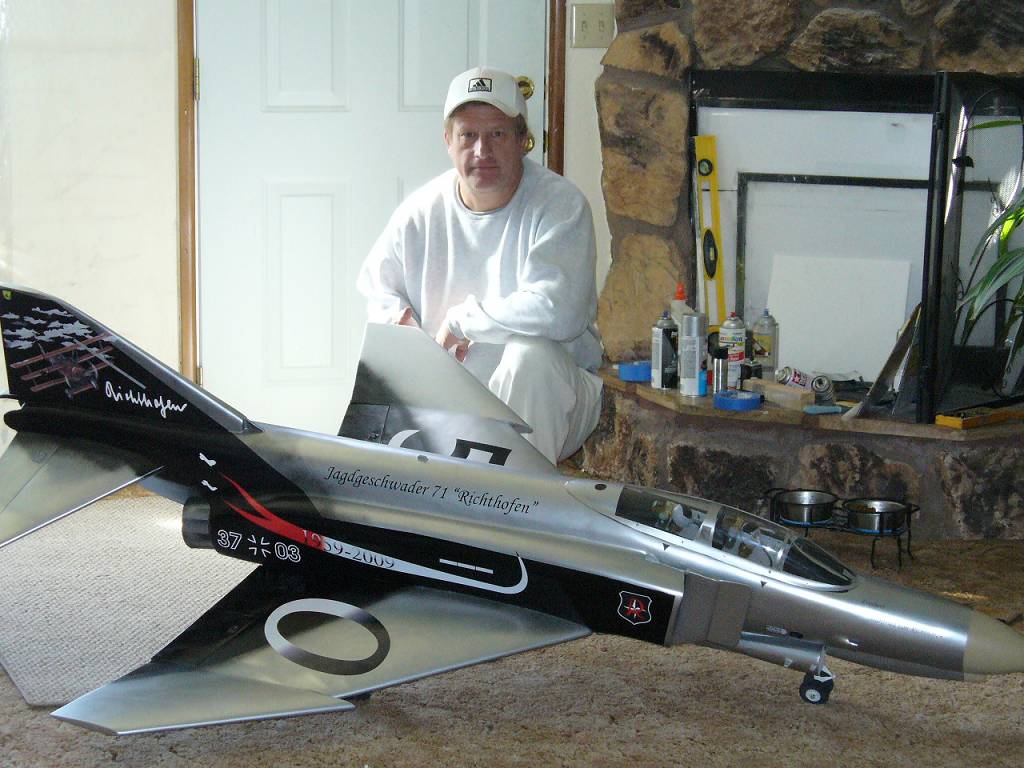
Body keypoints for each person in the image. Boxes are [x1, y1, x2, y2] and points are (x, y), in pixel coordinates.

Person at [357, 66, 603, 464]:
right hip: (454, 404)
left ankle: (517, 497)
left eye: (498, 134)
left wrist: (462, 321)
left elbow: (559, 310)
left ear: (523, 140)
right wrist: (401, 325)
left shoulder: (561, 205)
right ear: (448, 141)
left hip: (557, 395)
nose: (481, 151)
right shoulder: (420, 212)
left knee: (531, 357)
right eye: (468, 135)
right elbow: (378, 288)